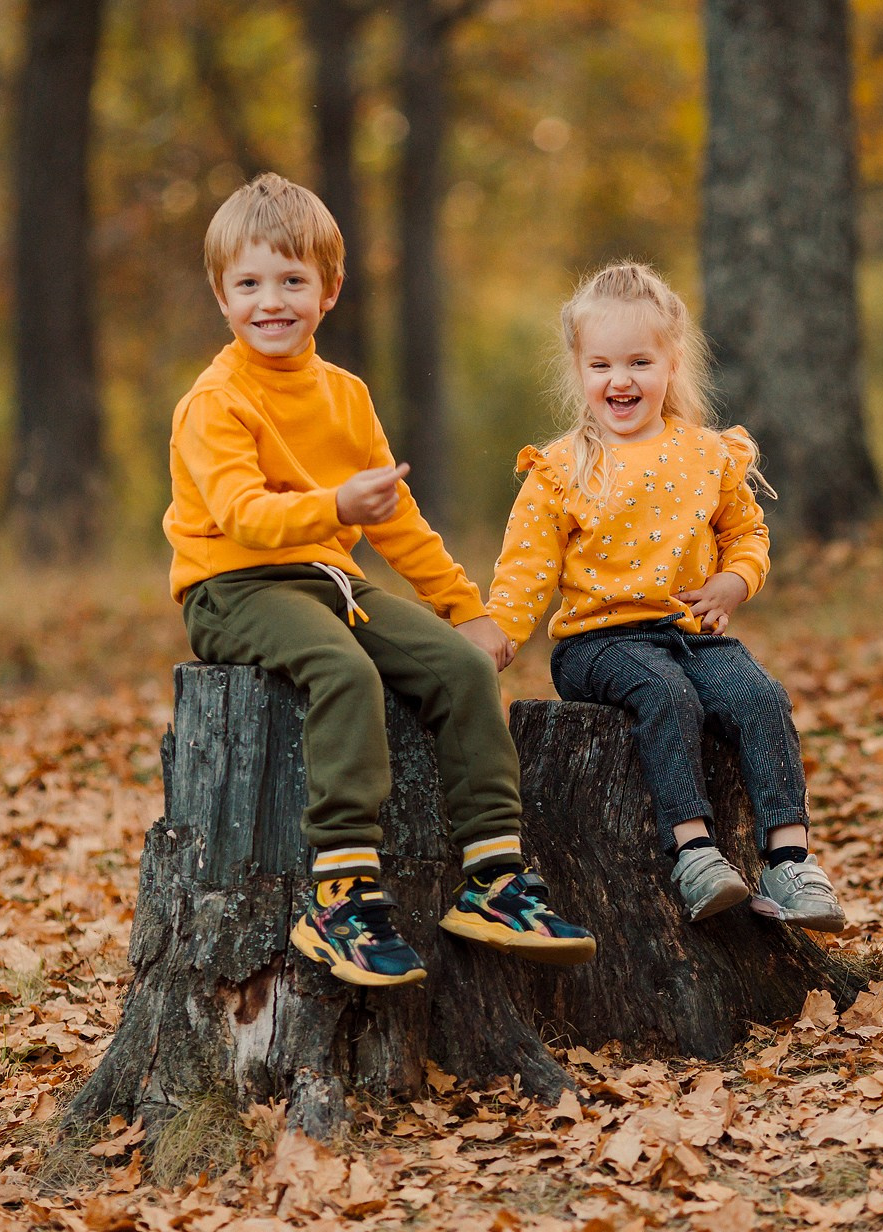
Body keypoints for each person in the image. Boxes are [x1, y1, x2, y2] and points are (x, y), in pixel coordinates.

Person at [165, 173, 594, 987]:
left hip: (331, 583)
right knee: (343, 671)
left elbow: (396, 522)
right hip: (235, 589)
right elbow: (243, 516)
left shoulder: (345, 395)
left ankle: (495, 878)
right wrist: (332, 502)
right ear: (221, 295)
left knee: (462, 670)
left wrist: (466, 611)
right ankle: (343, 896)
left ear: (329, 289)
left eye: (292, 280)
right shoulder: (214, 401)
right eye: (249, 283)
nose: (272, 301)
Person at [487, 262, 846, 931]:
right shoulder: (562, 468)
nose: (619, 380)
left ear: (671, 363)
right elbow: (526, 567)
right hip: (599, 642)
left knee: (759, 696)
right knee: (666, 695)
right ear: (580, 369)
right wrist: (499, 631)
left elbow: (747, 531)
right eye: (601, 365)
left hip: (689, 633)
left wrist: (736, 580)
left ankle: (789, 858)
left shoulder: (707, 454)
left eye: (638, 362)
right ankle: (695, 852)